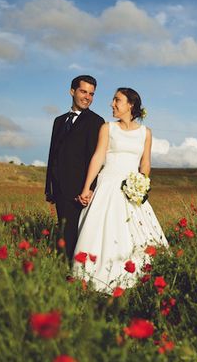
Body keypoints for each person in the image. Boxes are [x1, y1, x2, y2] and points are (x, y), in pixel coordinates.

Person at [72, 87, 168, 292]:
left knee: (137, 233)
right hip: (107, 185)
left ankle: (137, 279)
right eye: (113, 100)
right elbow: (98, 157)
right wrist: (87, 187)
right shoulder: (108, 128)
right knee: (101, 230)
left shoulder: (146, 133)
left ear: (130, 105)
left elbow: (145, 163)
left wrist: (142, 183)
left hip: (132, 189)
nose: (112, 104)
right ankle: (95, 278)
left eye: (117, 100)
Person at [45, 75, 105, 260]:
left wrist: (90, 189)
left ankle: (75, 273)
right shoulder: (59, 121)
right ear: (72, 91)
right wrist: (50, 187)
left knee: (79, 235)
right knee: (64, 233)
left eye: (91, 94)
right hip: (60, 189)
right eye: (83, 91)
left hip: (81, 190)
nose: (87, 97)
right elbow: (52, 155)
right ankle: (64, 270)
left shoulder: (96, 121)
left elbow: (96, 158)